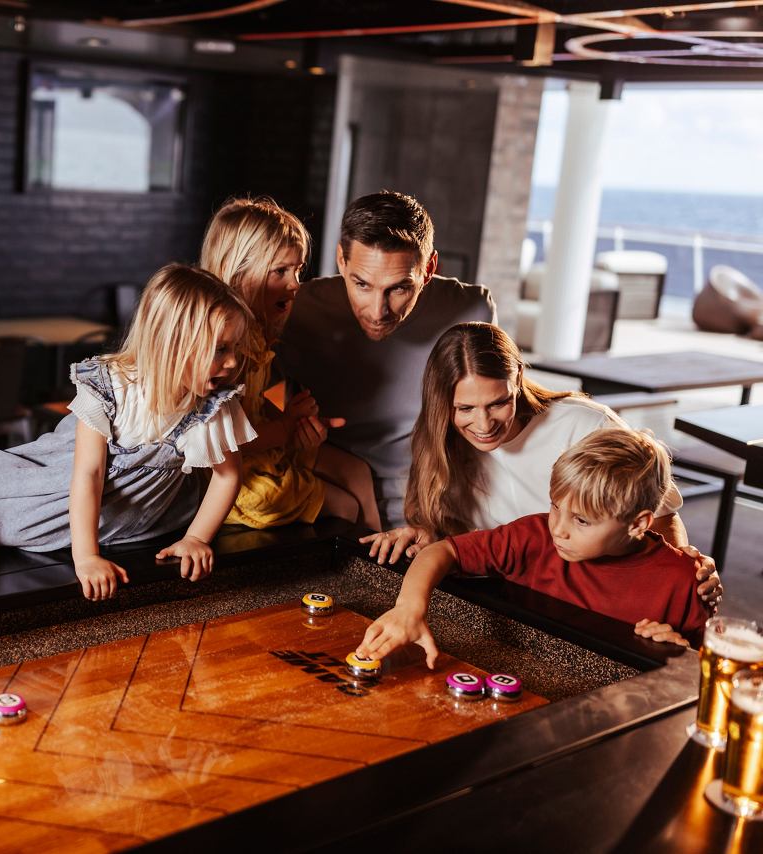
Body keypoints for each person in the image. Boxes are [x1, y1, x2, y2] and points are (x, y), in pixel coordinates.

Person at [0, 264, 257, 601]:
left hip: (134, 514)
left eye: (235, 349)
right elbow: (88, 474)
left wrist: (197, 538)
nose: (231, 363)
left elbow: (227, 475)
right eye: (220, 349)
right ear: (172, 344)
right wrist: (86, 557)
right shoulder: (113, 387)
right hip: (71, 482)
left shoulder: (212, 406)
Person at [359, 322, 723, 607]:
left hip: (590, 595)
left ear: (518, 377)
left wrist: (677, 578)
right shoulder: (439, 441)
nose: (484, 426)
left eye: (498, 403)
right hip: (506, 597)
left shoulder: (586, 425)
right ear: (442, 404)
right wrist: (427, 535)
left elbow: (658, 520)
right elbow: (469, 545)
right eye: (465, 409)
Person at [356, 428, 711, 669]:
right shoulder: (533, 535)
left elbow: (704, 670)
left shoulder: (683, 580)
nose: (558, 528)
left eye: (582, 521)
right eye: (556, 506)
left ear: (638, 523)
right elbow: (441, 552)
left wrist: (680, 653)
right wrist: (409, 608)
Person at [277, 190, 496, 529]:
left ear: (429, 269)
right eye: (361, 284)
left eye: (398, 289)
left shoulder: (471, 309)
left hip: (433, 509)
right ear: (341, 260)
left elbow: (491, 414)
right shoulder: (297, 309)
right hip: (326, 502)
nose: (378, 312)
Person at [198, 197, 372, 527]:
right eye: (281, 271)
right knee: (346, 507)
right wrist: (287, 429)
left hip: (269, 447)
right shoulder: (223, 352)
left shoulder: (260, 338)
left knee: (358, 472)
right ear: (238, 272)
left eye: (298, 270)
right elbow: (221, 442)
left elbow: (269, 397)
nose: (295, 284)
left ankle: (386, 567)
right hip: (237, 475)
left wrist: (298, 414)